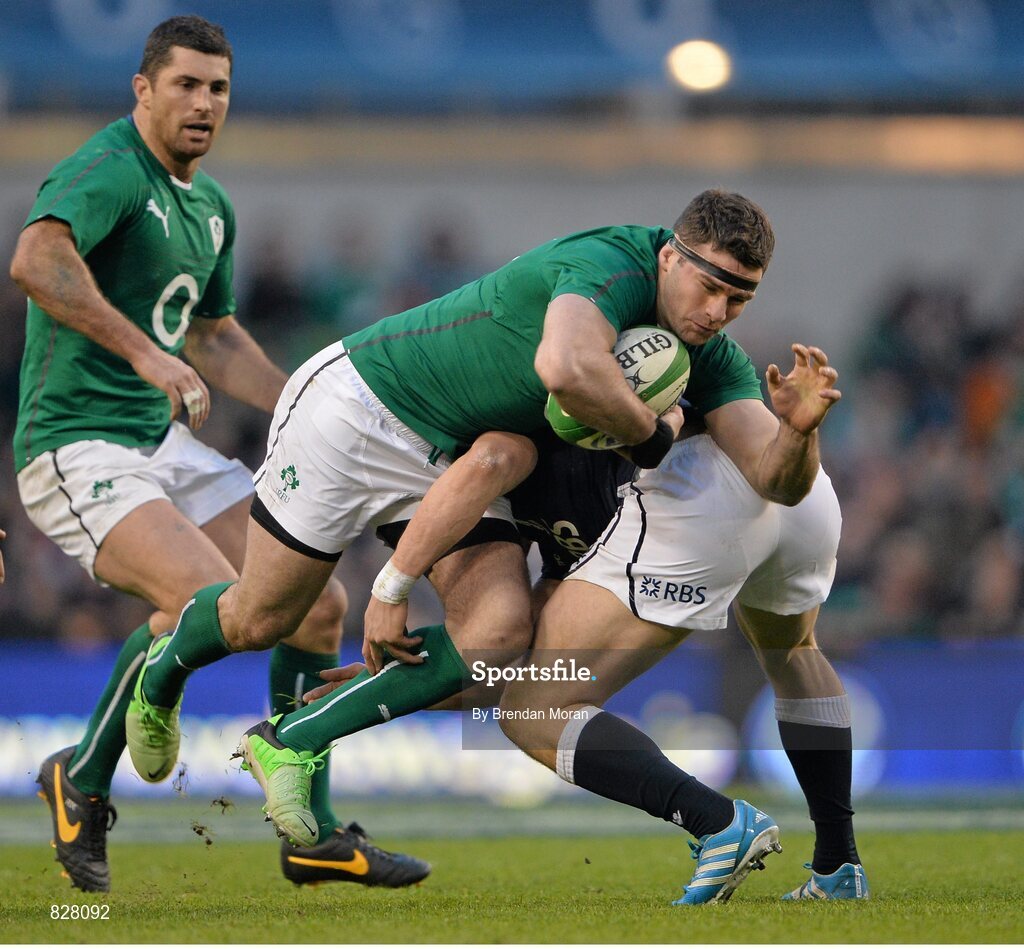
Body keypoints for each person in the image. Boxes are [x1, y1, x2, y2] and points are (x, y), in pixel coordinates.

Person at [128, 190, 829, 898]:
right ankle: (161, 670)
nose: (717, 312)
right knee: (262, 617)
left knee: (495, 638)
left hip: (451, 457)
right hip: (359, 410)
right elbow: (554, 382)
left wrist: (798, 431)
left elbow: (777, 477)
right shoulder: (606, 275)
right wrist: (391, 588)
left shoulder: (700, 364)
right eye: (709, 286)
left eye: (737, 300)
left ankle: (292, 738)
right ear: (669, 256)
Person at [9, 15, 426, 893]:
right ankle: (82, 777)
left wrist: (305, 404)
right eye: (187, 85)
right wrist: (143, 354)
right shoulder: (109, 167)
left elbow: (212, 336)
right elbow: (37, 259)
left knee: (316, 604)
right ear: (143, 89)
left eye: (219, 88)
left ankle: (305, 829)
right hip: (76, 445)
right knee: (216, 603)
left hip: (163, 443)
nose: (204, 103)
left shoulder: (210, 206)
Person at [309, 407, 866, 904]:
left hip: (701, 498)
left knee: (534, 710)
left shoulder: (524, 453)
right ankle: (839, 866)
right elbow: (503, 656)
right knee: (792, 649)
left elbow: (517, 669)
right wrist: (406, 685)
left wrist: (399, 618)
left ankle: (719, 822)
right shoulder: (561, 417)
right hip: (790, 477)